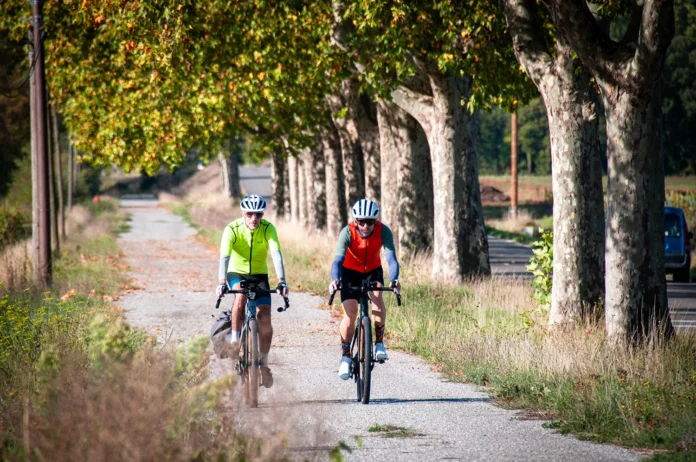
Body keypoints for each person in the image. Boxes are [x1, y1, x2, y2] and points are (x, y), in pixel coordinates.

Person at [216, 194, 289, 388]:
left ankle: (263, 363)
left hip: (259, 275)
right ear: (243, 214)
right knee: (240, 296)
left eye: (258, 214)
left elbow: (276, 255)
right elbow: (224, 257)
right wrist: (222, 281)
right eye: (250, 214)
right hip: (236, 273)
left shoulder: (268, 229)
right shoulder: (232, 229)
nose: (254, 218)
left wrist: (282, 281)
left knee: (264, 315)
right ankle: (234, 337)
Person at [329, 199, 400, 380]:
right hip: (349, 272)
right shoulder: (347, 232)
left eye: (370, 222)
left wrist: (394, 280)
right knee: (351, 313)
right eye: (362, 221)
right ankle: (345, 356)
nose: (366, 226)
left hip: (373, 272)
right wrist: (335, 280)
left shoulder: (383, 231)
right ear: (355, 221)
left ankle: (379, 344)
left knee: (377, 300)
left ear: (376, 221)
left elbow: (391, 259)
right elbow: (337, 260)